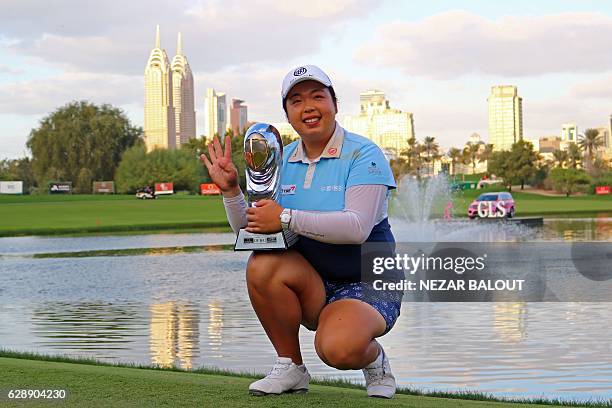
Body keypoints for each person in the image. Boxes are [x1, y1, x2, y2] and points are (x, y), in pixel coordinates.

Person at [200, 65, 402, 399]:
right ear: (288, 115)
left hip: (368, 279)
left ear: (334, 105)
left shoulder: (364, 154)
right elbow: (254, 231)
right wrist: (232, 191)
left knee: (338, 349)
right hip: (313, 281)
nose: (307, 106)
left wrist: (287, 217)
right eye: (296, 100)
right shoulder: (282, 159)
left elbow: (356, 228)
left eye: (317, 96)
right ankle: (291, 366)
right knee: (262, 262)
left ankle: (374, 358)